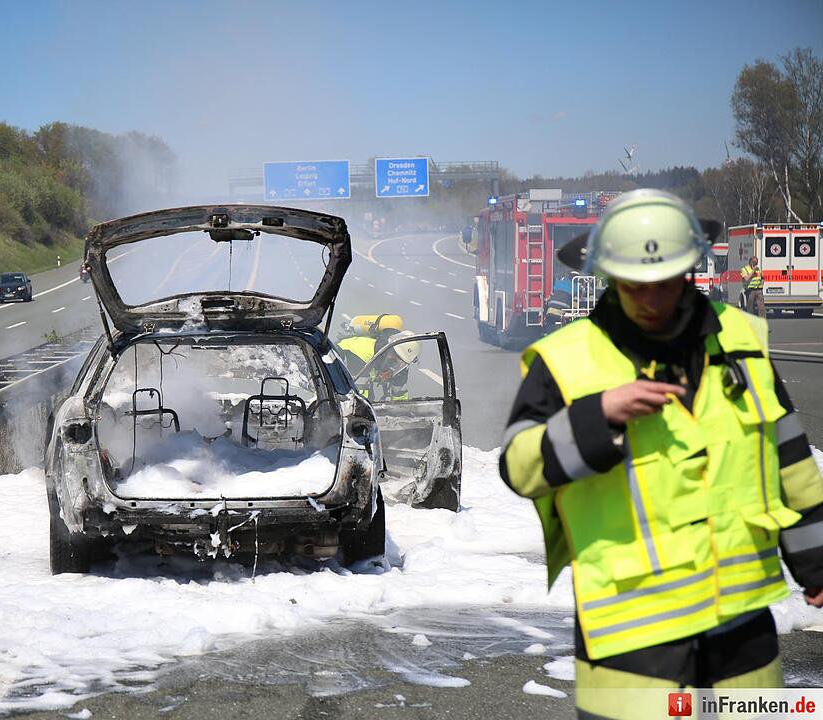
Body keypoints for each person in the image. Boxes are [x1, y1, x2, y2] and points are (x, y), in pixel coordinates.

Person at [499, 189, 823, 719]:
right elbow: (518, 466)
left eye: (665, 282)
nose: (650, 299)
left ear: (689, 269)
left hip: (740, 630)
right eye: (634, 285)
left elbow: (788, 454)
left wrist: (816, 559)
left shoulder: (739, 338)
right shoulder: (566, 358)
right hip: (632, 638)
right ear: (606, 274)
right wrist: (598, 415)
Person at [338, 323, 419, 401]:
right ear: (390, 352)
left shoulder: (402, 364)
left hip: (370, 368)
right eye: (395, 359)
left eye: (403, 363)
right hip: (339, 356)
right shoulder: (362, 354)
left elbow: (400, 397)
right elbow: (359, 397)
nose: (398, 365)